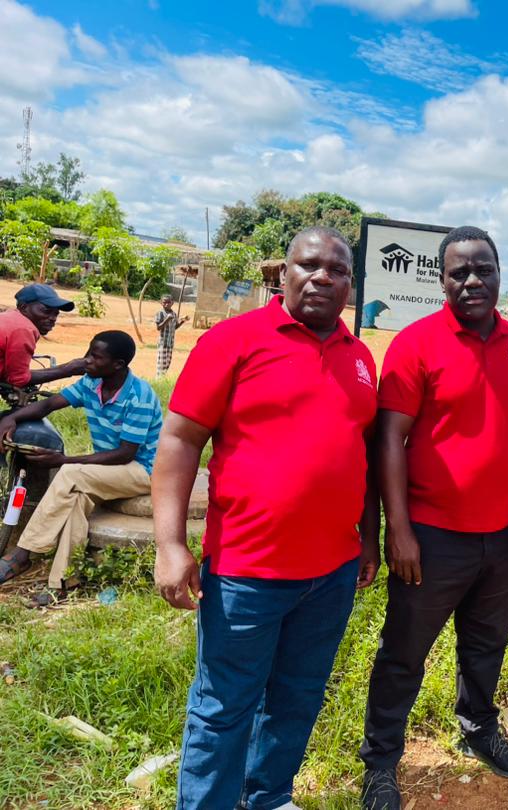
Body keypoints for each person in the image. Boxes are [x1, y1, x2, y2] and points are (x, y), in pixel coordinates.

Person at [153, 227, 381, 809]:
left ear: (351, 285)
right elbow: (180, 441)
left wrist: (368, 540)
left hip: (330, 573)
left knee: (298, 697)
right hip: (246, 573)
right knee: (224, 707)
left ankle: (268, 795)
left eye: (337, 270)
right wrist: (170, 544)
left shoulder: (359, 360)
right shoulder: (235, 341)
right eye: (309, 265)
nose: (323, 277)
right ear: (284, 274)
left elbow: (363, 455)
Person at [359, 226, 508, 810]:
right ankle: (381, 763)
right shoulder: (416, 344)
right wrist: (401, 530)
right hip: (432, 537)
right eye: (459, 272)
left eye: (483, 269)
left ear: (500, 273)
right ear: (441, 280)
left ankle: (477, 728)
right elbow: (389, 439)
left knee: (486, 646)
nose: (473, 281)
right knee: (404, 654)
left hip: (499, 535)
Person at [0, 331, 161, 605]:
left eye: (95, 357)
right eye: (88, 352)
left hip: (144, 471)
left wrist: (63, 461)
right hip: (111, 470)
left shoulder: (139, 395)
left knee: (70, 472)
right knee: (75, 499)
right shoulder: (90, 384)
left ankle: (23, 554)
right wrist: (10, 419)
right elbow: (49, 405)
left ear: (118, 365)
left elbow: (124, 454)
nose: (86, 360)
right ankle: (64, 583)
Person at [0, 283, 86, 387]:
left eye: (56, 313)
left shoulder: (8, 317)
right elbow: (18, 379)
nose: (53, 318)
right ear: (23, 307)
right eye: (46, 311)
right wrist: (68, 370)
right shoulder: (23, 329)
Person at [154, 294, 189, 377]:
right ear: (161, 303)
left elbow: (175, 327)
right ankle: (158, 379)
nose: (166, 304)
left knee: (167, 363)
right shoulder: (160, 313)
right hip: (163, 342)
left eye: (168, 302)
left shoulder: (174, 314)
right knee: (161, 363)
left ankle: (163, 378)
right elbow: (158, 327)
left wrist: (183, 321)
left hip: (170, 343)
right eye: (164, 302)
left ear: (172, 303)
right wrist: (167, 319)